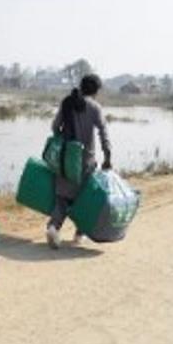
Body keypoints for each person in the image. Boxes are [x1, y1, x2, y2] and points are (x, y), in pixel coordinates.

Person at [46, 74, 111, 249]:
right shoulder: (95, 108)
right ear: (96, 91)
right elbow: (103, 133)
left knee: (62, 198)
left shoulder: (67, 102)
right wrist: (107, 156)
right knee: (84, 199)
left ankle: (53, 227)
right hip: (86, 162)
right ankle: (79, 234)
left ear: (81, 86)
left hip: (65, 158)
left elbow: (54, 127)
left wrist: (65, 136)